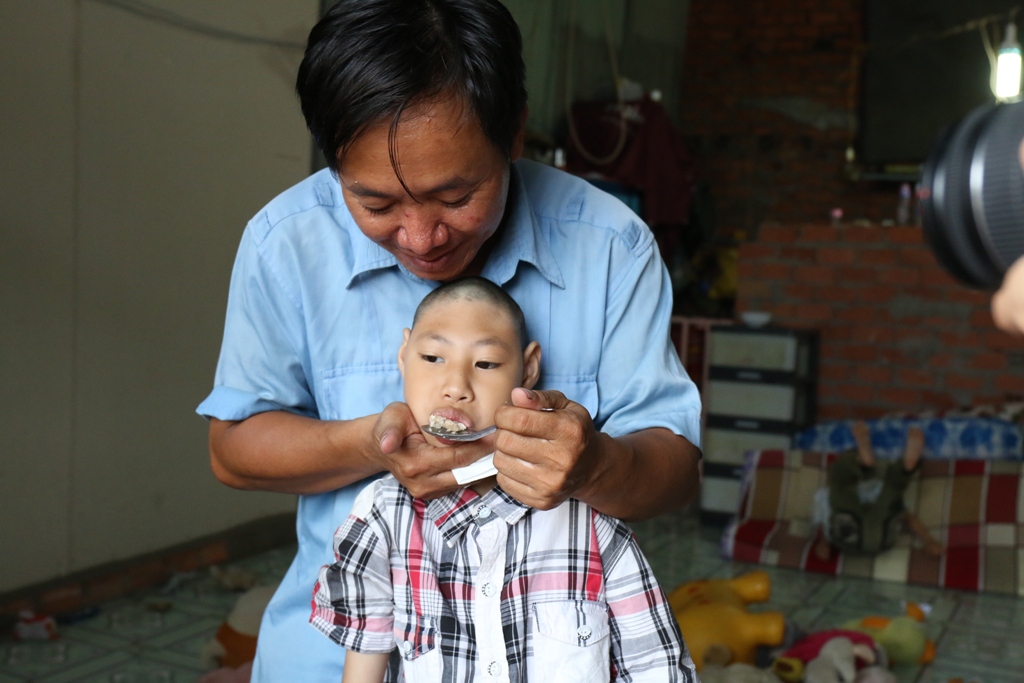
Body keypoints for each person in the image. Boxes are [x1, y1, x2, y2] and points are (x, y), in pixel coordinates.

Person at [197, 1, 702, 680]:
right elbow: (232, 450)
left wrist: (591, 465)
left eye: (456, 196)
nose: (420, 236)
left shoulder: (609, 246)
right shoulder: (285, 244)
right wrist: (368, 442)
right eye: (375, 205)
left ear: (514, 133)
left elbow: (675, 467)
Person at [310, 277, 696, 682]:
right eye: (432, 357)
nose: (456, 387)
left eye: (486, 364)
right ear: (404, 354)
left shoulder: (590, 523)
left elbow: (657, 666)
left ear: (528, 369)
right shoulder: (380, 516)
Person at [812, 421, 943, 561]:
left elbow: (822, 523)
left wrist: (823, 543)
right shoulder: (871, 487)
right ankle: (904, 469)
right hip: (880, 536)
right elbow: (907, 517)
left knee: (839, 478)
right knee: (893, 489)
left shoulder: (829, 494)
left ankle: (867, 463)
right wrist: (929, 540)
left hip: (850, 537)